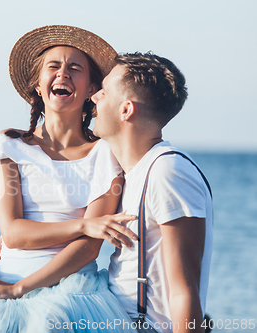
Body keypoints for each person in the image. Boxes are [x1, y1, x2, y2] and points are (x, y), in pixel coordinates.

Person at [0, 25, 137, 333]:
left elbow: (90, 248)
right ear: (38, 85)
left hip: (73, 290)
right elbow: (12, 232)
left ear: (92, 88)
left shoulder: (105, 152)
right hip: (7, 281)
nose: (63, 73)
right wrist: (81, 224)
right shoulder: (8, 146)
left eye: (75, 68)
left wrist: (21, 289)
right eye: (53, 66)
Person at [91, 52, 213, 333]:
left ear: (126, 110)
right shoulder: (132, 172)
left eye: (104, 91)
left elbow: (185, 289)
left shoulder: (168, 171)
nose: (95, 97)